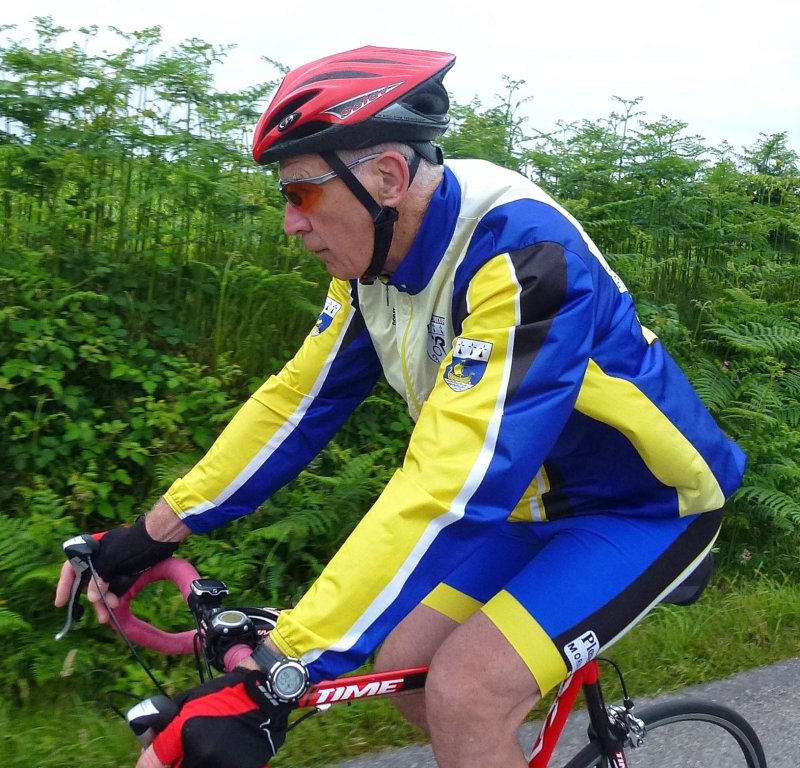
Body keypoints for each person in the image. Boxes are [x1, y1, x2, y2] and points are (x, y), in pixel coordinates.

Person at [55, 46, 746, 768]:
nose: (290, 223)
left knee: (467, 691)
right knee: (407, 669)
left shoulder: (523, 256)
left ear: (386, 177)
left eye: (301, 194)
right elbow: (295, 405)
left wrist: (280, 668)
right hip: (526, 508)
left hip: (644, 507)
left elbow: (453, 479)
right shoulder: (373, 263)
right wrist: (150, 535)